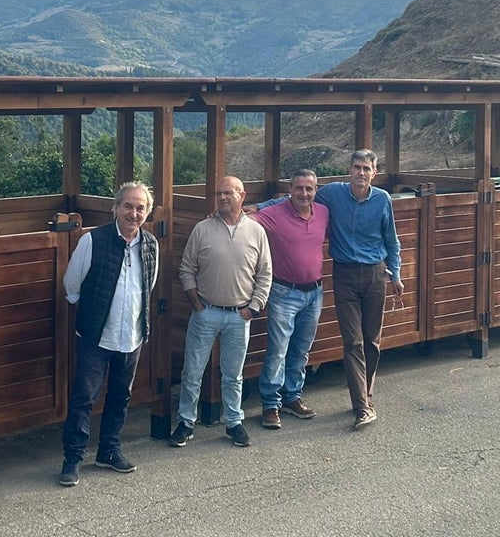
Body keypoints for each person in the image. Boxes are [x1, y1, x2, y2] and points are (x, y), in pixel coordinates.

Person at [255, 149, 402, 430]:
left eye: (366, 169)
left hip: (375, 275)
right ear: (349, 170)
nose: (361, 173)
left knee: (371, 341)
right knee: (352, 342)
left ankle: (362, 395)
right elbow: (290, 199)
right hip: (344, 274)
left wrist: (396, 274)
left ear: (374, 172)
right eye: (357, 167)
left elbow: (391, 241)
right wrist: (258, 207)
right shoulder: (333, 194)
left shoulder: (382, 200)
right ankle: (360, 405)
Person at [58, 182, 159, 487]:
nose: (134, 213)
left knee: (120, 397)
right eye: (128, 206)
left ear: (147, 212)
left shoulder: (151, 244)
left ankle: (108, 451)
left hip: (131, 336)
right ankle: (72, 459)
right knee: (83, 399)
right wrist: (91, 314)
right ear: (115, 208)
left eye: (140, 208)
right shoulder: (93, 240)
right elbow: (71, 284)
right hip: (95, 336)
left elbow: (148, 286)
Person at [170, 176, 272, 449]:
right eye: (219, 194)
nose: (223, 197)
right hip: (206, 312)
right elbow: (186, 269)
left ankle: (233, 422)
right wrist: (196, 304)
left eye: (229, 193)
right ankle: (185, 423)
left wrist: (253, 308)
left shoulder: (256, 231)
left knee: (233, 374)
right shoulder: (202, 229)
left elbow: (265, 274)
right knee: (192, 371)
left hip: (240, 315)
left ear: (242, 195)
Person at [252, 168, 328, 430]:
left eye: (309, 188)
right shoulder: (275, 213)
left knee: (301, 349)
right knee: (278, 350)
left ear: (316, 190)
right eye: (299, 188)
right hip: (284, 292)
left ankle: (292, 397)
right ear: (290, 190)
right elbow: (247, 218)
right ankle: (270, 404)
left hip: (315, 292)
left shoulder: (323, 212)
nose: (304, 193)